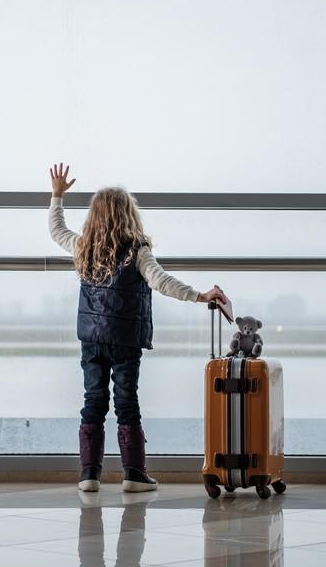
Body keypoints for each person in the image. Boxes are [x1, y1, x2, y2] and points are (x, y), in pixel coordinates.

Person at [48, 163, 228, 492]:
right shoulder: (137, 251)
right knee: (126, 401)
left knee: (93, 400)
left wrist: (57, 196)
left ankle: (89, 474)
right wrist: (199, 296)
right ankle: (133, 473)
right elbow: (161, 281)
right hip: (126, 340)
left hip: (91, 338)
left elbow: (57, 231)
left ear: (94, 217)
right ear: (129, 215)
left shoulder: (84, 248)